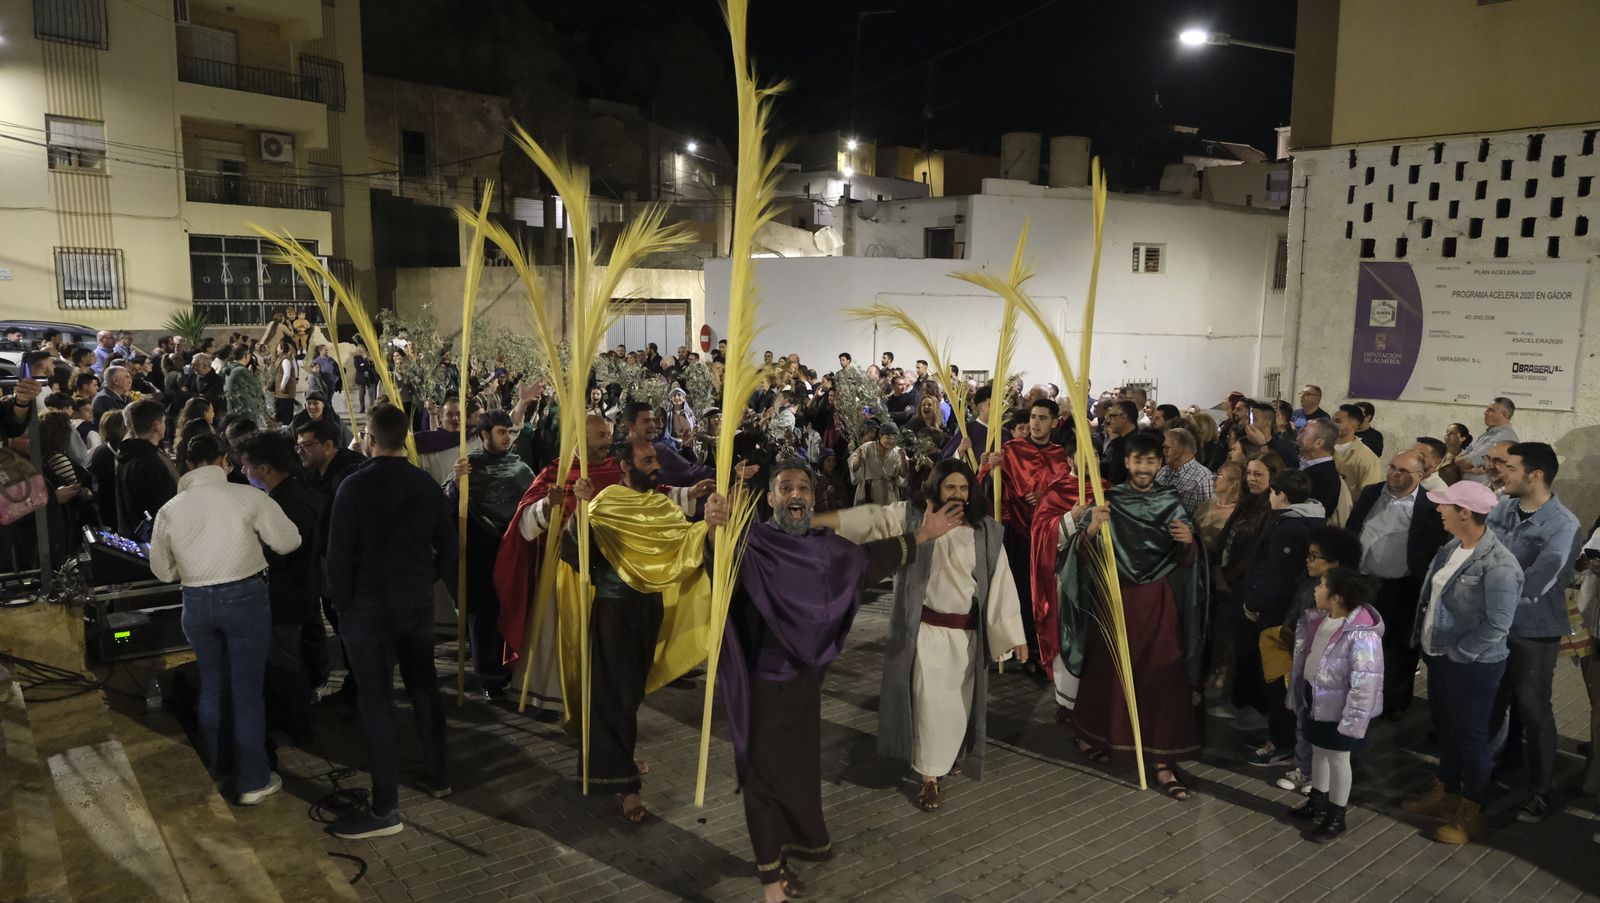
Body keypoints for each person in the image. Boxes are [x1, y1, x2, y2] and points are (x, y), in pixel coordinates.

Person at [706, 460, 962, 902]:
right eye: (785, 487)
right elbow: (720, 566)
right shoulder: (753, 541)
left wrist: (923, 534)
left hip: (806, 686)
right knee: (762, 778)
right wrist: (713, 530)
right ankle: (770, 879)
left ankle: (782, 854)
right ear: (770, 498)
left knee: (796, 774)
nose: (796, 494)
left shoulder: (827, 549)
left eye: (803, 486)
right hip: (764, 686)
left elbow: (868, 561)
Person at [820, 459, 1026, 810]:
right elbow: (872, 520)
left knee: (958, 708)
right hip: (926, 634)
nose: (957, 495)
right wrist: (819, 521)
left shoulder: (986, 531)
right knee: (929, 706)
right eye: (950, 487)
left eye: (963, 488)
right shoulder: (913, 517)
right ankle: (929, 777)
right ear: (936, 487)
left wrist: (1013, 634)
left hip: (966, 638)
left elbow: (1001, 580)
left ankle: (945, 760)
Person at [562, 438, 714, 822]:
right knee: (614, 695)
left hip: (650, 609)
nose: (655, 466)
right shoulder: (607, 501)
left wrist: (711, 527)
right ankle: (625, 786)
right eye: (647, 461)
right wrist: (579, 512)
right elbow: (577, 552)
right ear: (625, 468)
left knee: (628, 693)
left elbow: (686, 544)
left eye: (655, 460)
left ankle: (618, 758)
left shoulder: (663, 505)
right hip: (614, 611)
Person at [325, 403, 457, 839]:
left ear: (369, 436)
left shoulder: (353, 487)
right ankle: (439, 773)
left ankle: (386, 808)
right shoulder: (425, 485)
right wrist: (427, 577)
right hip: (414, 601)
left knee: (378, 702)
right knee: (423, 689)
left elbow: (339, 554)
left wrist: (341, 606)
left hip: (368, 607)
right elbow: (448, 546)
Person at [148, 433, 301, 806]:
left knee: (213, 685)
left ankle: (216, 767)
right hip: (244, 597)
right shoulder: (248, 497)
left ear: (186, 465)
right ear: (224, 462)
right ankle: (253, 780)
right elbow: (288, 541)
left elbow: (162, 571)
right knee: (247, 692)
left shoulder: (171, 508)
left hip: (196, 602)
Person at [1055, 430, 1209, 800]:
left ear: (1159, 463)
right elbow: (1076, 555)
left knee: (1163, 679)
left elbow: (1188, 559)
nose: (1144, 468)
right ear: (1126, 462)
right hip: (1114, 599)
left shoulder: (1172, 502)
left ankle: (1162, 760)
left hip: (1157, 603)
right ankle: (1101, 736)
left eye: (1151, 461)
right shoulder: (1109, 501)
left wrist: (1188, 544)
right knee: (1109, 673)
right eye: (1137, 460)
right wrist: (1091, 528)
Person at [1402, 480, 1522, 845]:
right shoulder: (1452, 547)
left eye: (1445, 506)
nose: (1438, 510)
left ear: (1465, 513)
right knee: (1448, 729)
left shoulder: (1499, 564)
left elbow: (1498, 624)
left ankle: (1472, 812)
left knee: (1471, 737)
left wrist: (1460, 654)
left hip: (1473, 665)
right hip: (1441, 657)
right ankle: (1447, 792)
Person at [495, 415, 621, 721]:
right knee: (554, 633)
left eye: (608, 435)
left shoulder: (618, 469)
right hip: (562, 567)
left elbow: (645, 499)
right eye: (601, 436)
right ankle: (550, 695)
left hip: (609, 568)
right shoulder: (558, 471)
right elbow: (524, 522)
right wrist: (547, 506)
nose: (608, 442)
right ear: (582, 437)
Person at [1483, 442, 1580, 823]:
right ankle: (1486, 773)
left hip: (1533, 629)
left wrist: (1486, 581)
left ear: (1534, 475)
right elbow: (1479, 551)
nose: (1497, 470)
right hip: (1495, 623)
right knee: (1493, 702)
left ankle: (1539, 790)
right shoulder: (1503, 508)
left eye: (1507, 466)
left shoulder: (1563, 524)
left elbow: (1539, 581)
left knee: (1533, 708)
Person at [1345, 449, 1447, 718]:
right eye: (1392, 467)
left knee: (1398, 647)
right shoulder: (1371, 493)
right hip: (1363, 581)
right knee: (1358, 642)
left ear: (1421, 475)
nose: (1394, 474)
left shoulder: (1430, 505)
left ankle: (1394, 702)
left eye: (1403, 471)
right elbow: (1353, 527)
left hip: (1401, 586)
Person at [237, 431, 323, 750]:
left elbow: (279, 557)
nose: (244, 473)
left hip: (287, 597)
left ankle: (297, 725)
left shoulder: (283, 505)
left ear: (265, 469)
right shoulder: (299, 492)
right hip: (304, 592)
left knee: (286, 664)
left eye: (247, 467)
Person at [1286, 567, 1384, 842]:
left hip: (1339, 710)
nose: (1316, 589)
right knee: (1319, 751)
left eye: (1323, 585)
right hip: (1317, 702)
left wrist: (1352, 721)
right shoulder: (1321, 620)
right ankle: (1317, 802)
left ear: (1337, 598)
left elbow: (1366, 681)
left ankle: (1337, 816)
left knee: (1339, 759)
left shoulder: (1361, 634)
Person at [1238, 469, 1325, 764]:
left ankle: (1281, 743)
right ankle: (1275, 734)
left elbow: (1280, 575)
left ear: (1282, 494)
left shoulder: (1290, 527)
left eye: (1272, 491)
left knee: (1278, 682)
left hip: (1279, 615)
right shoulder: (1297, 520)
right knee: (1275, 680)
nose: (1269, 496)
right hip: (1279, 612)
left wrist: (1253, 602)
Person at [980, 398, 1072, 673]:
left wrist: (1047, 496)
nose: (1036, 422)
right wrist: (989, 468)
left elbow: (1071, 490)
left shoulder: (1061, 456)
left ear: (1055, 422)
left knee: (1042, 592)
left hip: (1046, 536)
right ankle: (1011, 645)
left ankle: (1037, 648)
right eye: (1033, 416)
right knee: (1016, 589)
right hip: (1016, 533)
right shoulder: (1011, 449)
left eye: (1043, 418)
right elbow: (986, 489)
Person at [446, 411, 534, 698]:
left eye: (509, 432)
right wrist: (457, 486)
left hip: (512, 550)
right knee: (483, 615)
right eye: (501, 432)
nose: (507, 438)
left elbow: (531, 502)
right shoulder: (469, 467)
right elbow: (446, 504)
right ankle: (489, 676)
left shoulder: (519, 467)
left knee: (511, 607)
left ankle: (513, 667)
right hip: (480, 550)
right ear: (484, 435)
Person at [1271, 525, 1363, 796]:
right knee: (1305, 722)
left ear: (1335, 564)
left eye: (1315, 557)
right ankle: (1304, 768)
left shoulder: (1346, 605)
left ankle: (1327, 788)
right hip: (1308, 673)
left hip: (1334, 684)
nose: (1308, 561)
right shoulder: (1310, 586)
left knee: (1330, 738)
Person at [114, 400, 178, 537]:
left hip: (132, 532)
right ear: (156, 426)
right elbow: (161, 507)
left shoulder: (127, 454)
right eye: (163, 421)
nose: (165, 426)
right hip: (152, 538)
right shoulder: (147, 462)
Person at [1455, 398, 1518, 485]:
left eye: (1491, 410)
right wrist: (1467, 468)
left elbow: (1466, 462)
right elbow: (1458, 459)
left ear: (1504, 414)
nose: (1485, 412)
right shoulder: (1487, 434)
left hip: (1481, 492)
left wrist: (1463, 465)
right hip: (1470, 488)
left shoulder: (1503, 437)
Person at [1297, 420, 1348, 526]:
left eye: (1304, 432)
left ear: (1318, 443)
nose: (1298, 435)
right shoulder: (1311, 468)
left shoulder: (1321, 479)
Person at [1155, 427, 1215, 516]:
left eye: (1167, 447)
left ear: (1183, 448)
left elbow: (1208, 518)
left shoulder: (1204, 479)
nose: (1163, 451)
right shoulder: (1164, 471)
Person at [850, 421, 909, 505]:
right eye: (888, 437)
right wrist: (859, 458)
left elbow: (904, 474)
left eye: (895, 437)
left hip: (888, 492)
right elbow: (854, 467)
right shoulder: (867, 447)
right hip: (868, 490)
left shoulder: (898, 452)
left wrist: (903, 459)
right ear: (881, 436)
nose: (891, 440)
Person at [1333, 404, 1384, 500]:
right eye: (1332, 420)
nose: (1332, 425)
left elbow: (1369, 495)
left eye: (1337, 421)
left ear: (1353, 425)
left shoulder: (1368, 458)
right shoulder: (1322, 448)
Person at [1196, 461, 1241, 549]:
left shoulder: (1237, 514)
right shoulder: (1208, 503)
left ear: (1232, 484)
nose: (1214, 478)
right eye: (1215, 474)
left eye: (1219, 476)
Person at [289, 392, 354, 449]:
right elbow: (288, 438)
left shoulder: (335, 422)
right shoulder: (298, 421)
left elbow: (349, 443)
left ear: (323, 404)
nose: (312, 407)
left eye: (316, 403)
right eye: (309, 403)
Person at [272, 338, 300, 425]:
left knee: (286, 413)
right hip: (280, 393)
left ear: (282, 349)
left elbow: (287, 374)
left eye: (278, 347)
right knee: (281, 411)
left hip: (285, 392)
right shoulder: (282, 359)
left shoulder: (285, 360)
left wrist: (282, 386)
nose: (277, 349)